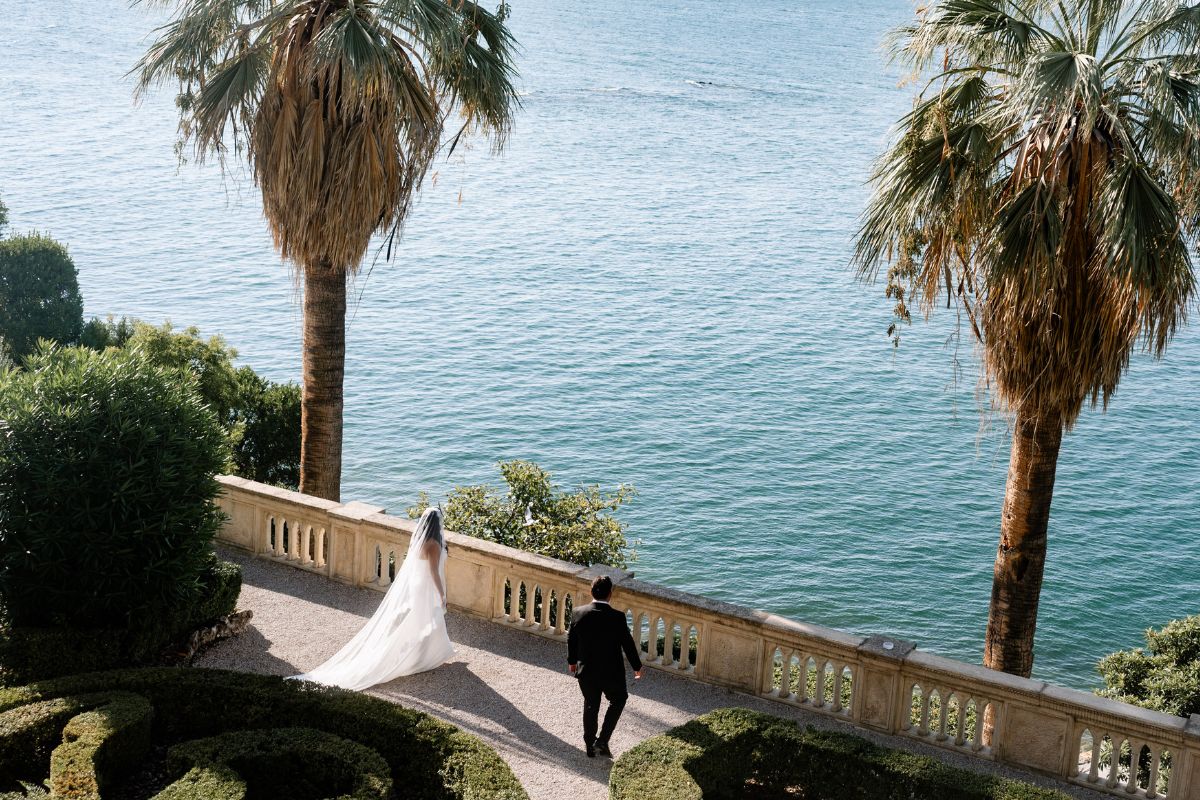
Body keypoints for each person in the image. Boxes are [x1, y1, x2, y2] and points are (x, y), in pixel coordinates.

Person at [291, 507, 454, 690]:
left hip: (418, 585)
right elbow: (433, 572)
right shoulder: (433, 545)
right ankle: (424, 656)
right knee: (428, 619)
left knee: (422, 619)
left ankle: (426, 653)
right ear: (437, 524)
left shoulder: (419, 540)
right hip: (426, 587)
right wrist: (442, 594)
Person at [566, 575, 643, 758]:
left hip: (586, 670)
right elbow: (627, 643)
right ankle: (602, 740)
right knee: (619, 699)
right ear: (610, 594)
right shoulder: (618, 617)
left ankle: (589, 745)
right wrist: (637, 666)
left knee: (591, 704)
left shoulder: (578, 613)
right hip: (612, 672)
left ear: (591, 592)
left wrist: (572, 662)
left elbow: (571, 639)